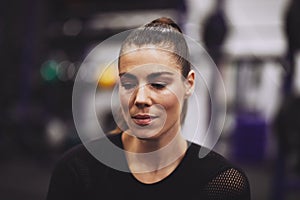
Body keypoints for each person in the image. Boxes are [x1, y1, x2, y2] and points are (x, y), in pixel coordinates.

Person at [47, 17, 250, 200]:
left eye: (158, 84)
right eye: (128, 84)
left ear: (188, 84)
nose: (140, 99)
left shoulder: (220, 183)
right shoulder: (78, 172)